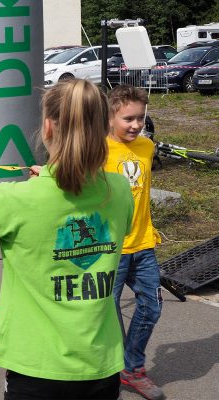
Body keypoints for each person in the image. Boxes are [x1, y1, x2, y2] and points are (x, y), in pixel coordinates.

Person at [0, 79, 135, 400]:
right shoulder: (120, 190)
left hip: (37, 369)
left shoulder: (14, 200)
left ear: (48, 127)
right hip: (102, 365)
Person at [104, 84, 164, 400]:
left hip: (143, 244)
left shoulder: (146, 147)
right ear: (111, 116)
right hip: (109, 251)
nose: (136, 125)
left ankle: (131, 367)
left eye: (140, 118)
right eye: (128, 118)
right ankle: (111, 367)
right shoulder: (96, 151)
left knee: (152, 307)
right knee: (106, 315)